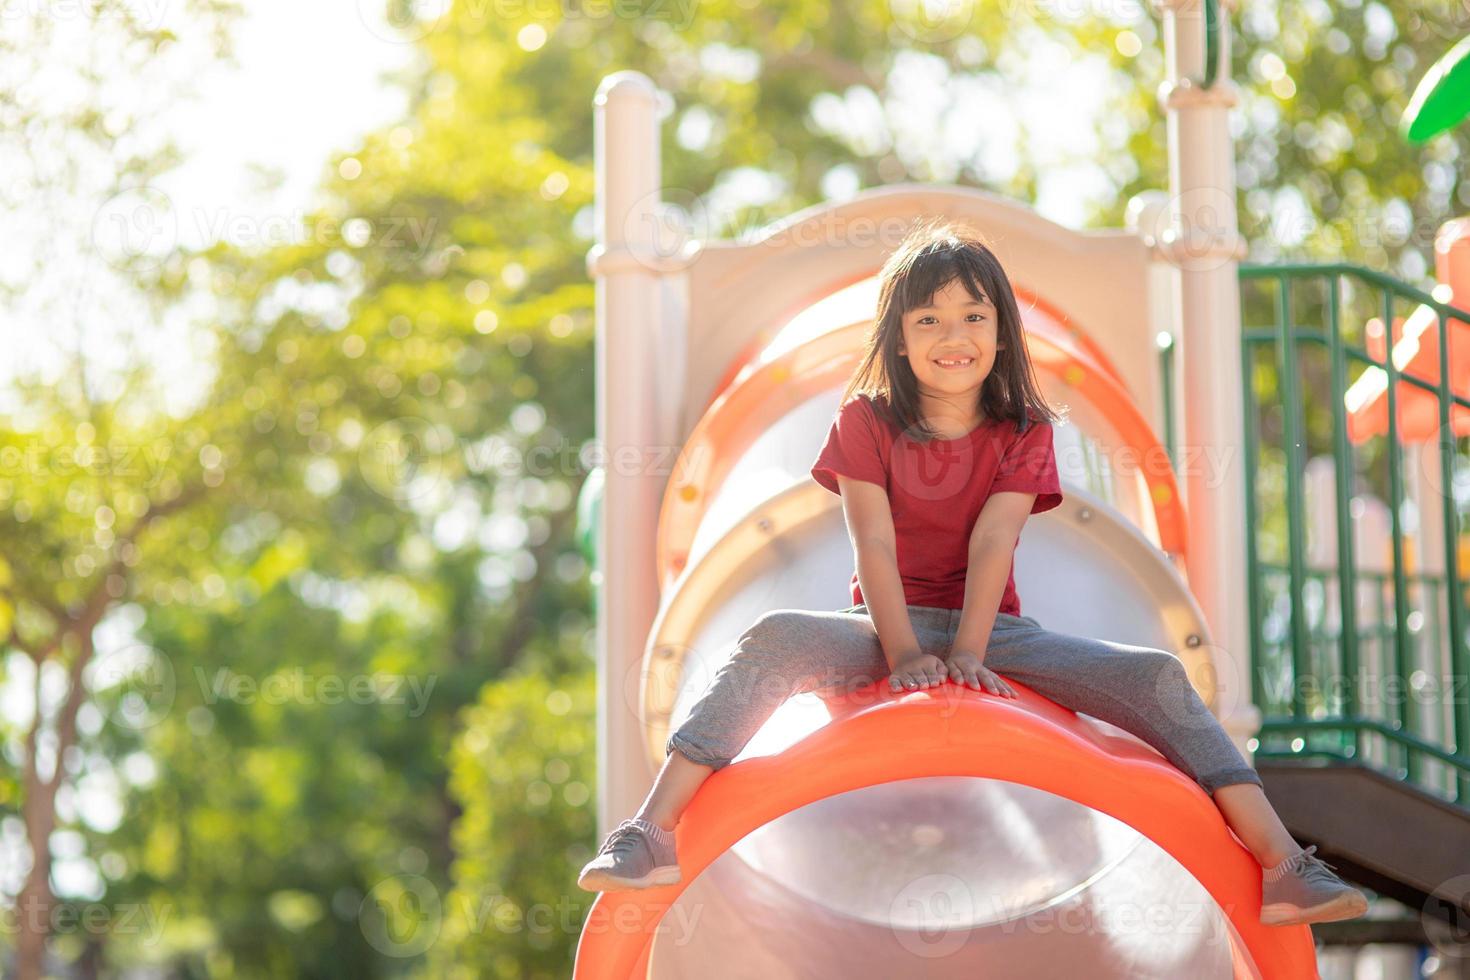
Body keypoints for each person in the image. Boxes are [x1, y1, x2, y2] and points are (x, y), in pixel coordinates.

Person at [577, 219, 1368, 928]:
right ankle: (651, 832)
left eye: (973, 316)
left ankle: (1283, 864)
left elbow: (995, 542)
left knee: (1160, 675)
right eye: (928, 319)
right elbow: (873, 547)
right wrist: (906, 656)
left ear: (1000, 332)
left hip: (1001, 633)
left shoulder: (1025, 429)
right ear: (897, 336)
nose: (951, 335)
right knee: (771, 638)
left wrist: (971, 654)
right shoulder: (864, 421)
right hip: (882, 627)